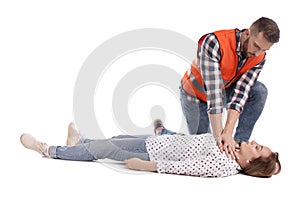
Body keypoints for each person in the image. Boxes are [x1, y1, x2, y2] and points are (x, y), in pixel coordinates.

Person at [20, 121, 281, 178]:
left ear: (249, 163)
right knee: (117, 137)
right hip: (158, 142)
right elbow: (194, 140)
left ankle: (48, 150)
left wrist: (146, 166)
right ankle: (80, 144)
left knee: (105, 149)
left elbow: (186, 167)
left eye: (258, 149)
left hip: (153, 154)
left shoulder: (224, 165)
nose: (255, 143)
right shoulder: (230, 145)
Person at [180, 17, 280, 158]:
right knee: (201, 148)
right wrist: (219, 140)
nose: (258, 53)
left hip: (222, 91)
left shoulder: (259, 57)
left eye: (264, 50)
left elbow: (241, 92)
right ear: (247, 33)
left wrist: (227, 133)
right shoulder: (215, 42)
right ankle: (163, 132)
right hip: (195, 95)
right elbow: (214, 96)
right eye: (256, 46)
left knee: (259, 91)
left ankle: (239, 149)